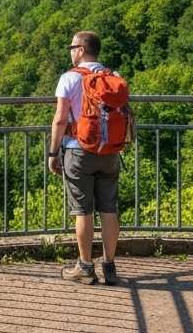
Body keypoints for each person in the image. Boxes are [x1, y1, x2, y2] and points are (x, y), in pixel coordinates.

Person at [48, 30, 124, 285]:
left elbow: (60, 119)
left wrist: (52, 152)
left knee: (83, 211)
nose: (70, 51)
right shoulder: (114, 77)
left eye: (72, 47)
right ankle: (110, 267)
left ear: (81, 49)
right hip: (110, 151)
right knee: (109, 209)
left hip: (78, 150)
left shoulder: (69, 78)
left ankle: (85, 267)